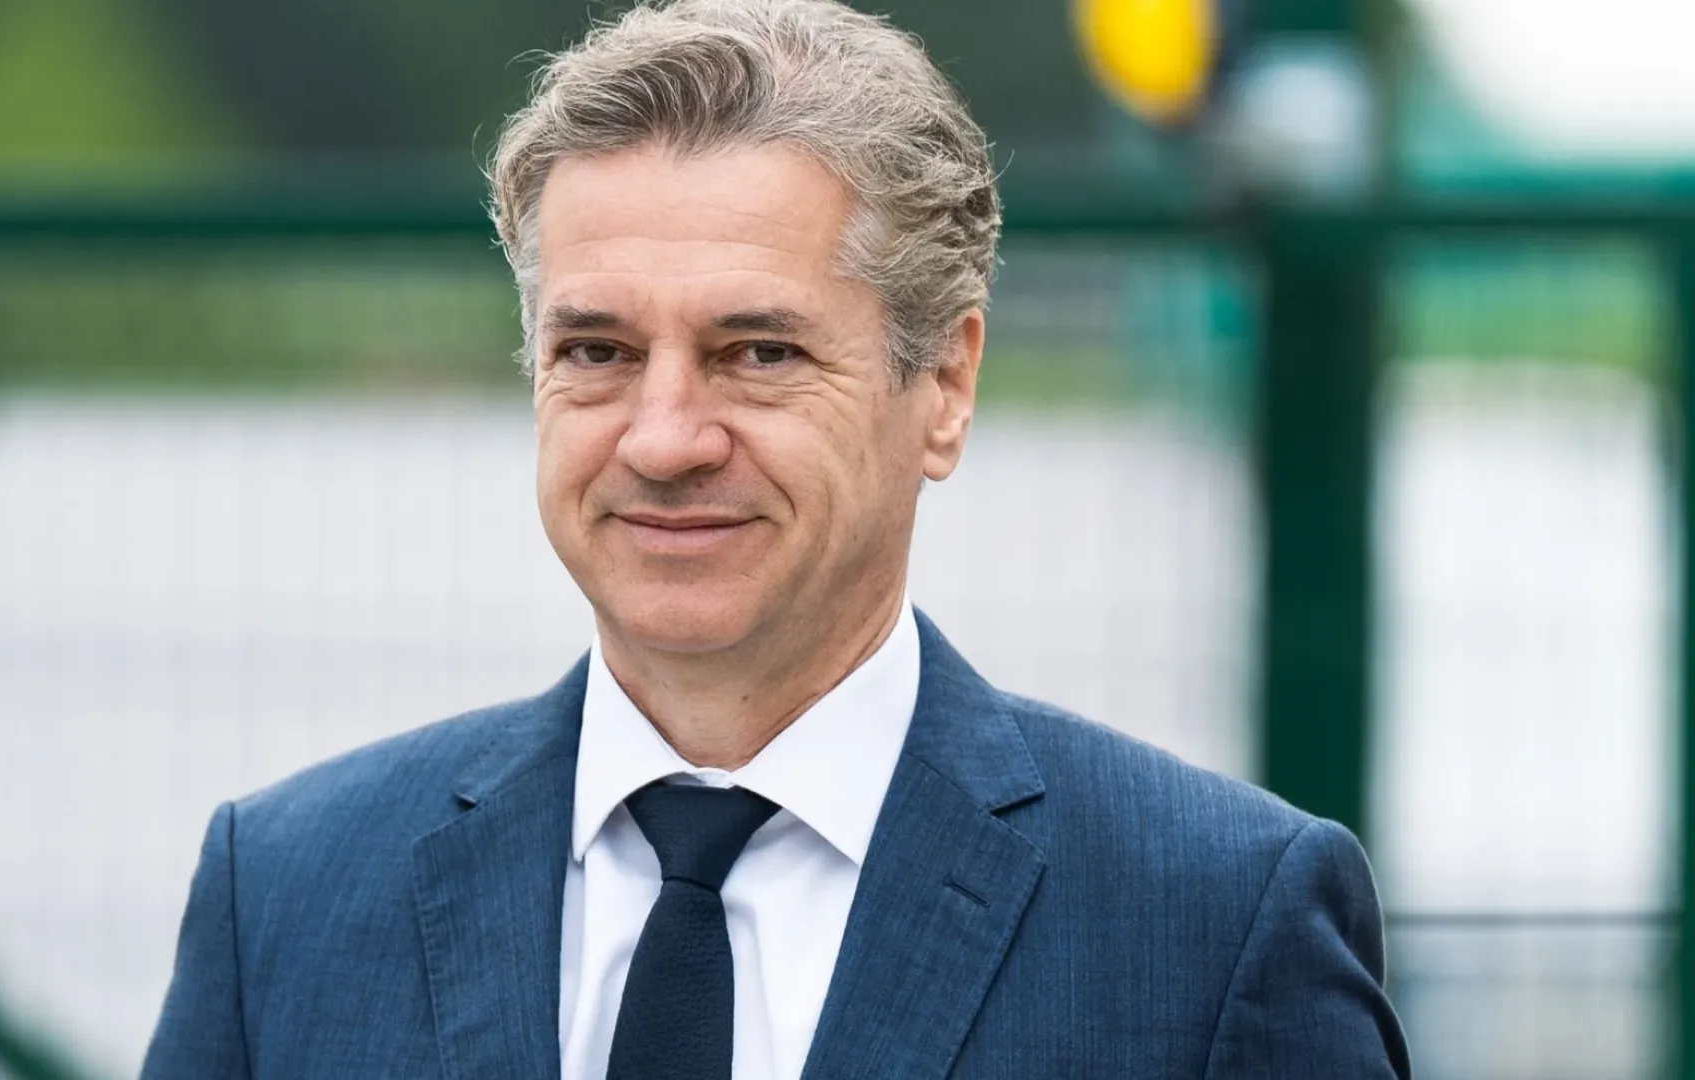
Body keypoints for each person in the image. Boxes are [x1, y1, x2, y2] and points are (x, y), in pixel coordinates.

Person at [142, 1, 1411, 1077]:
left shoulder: (1213, 927)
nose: (664, 438)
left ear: (945, 386)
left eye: (758, 353)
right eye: (598, 351)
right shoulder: (286, 895)